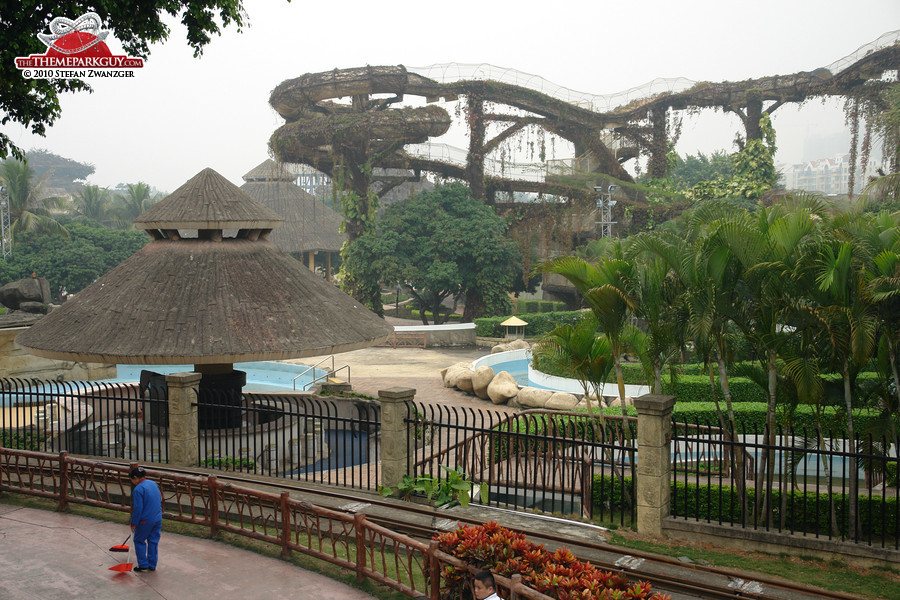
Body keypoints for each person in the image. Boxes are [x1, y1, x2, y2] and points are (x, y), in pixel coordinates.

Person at [129, 466, 162, 573]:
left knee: (139, 540)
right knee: (153, 541)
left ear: (135, 477)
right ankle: (152, 564)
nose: (132, 482)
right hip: (157, 518)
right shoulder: (153, 484)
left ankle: (143, 564)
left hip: (145, 520)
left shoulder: (138, 489)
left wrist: (134, 522)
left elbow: (138, 508)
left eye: (132, 480)